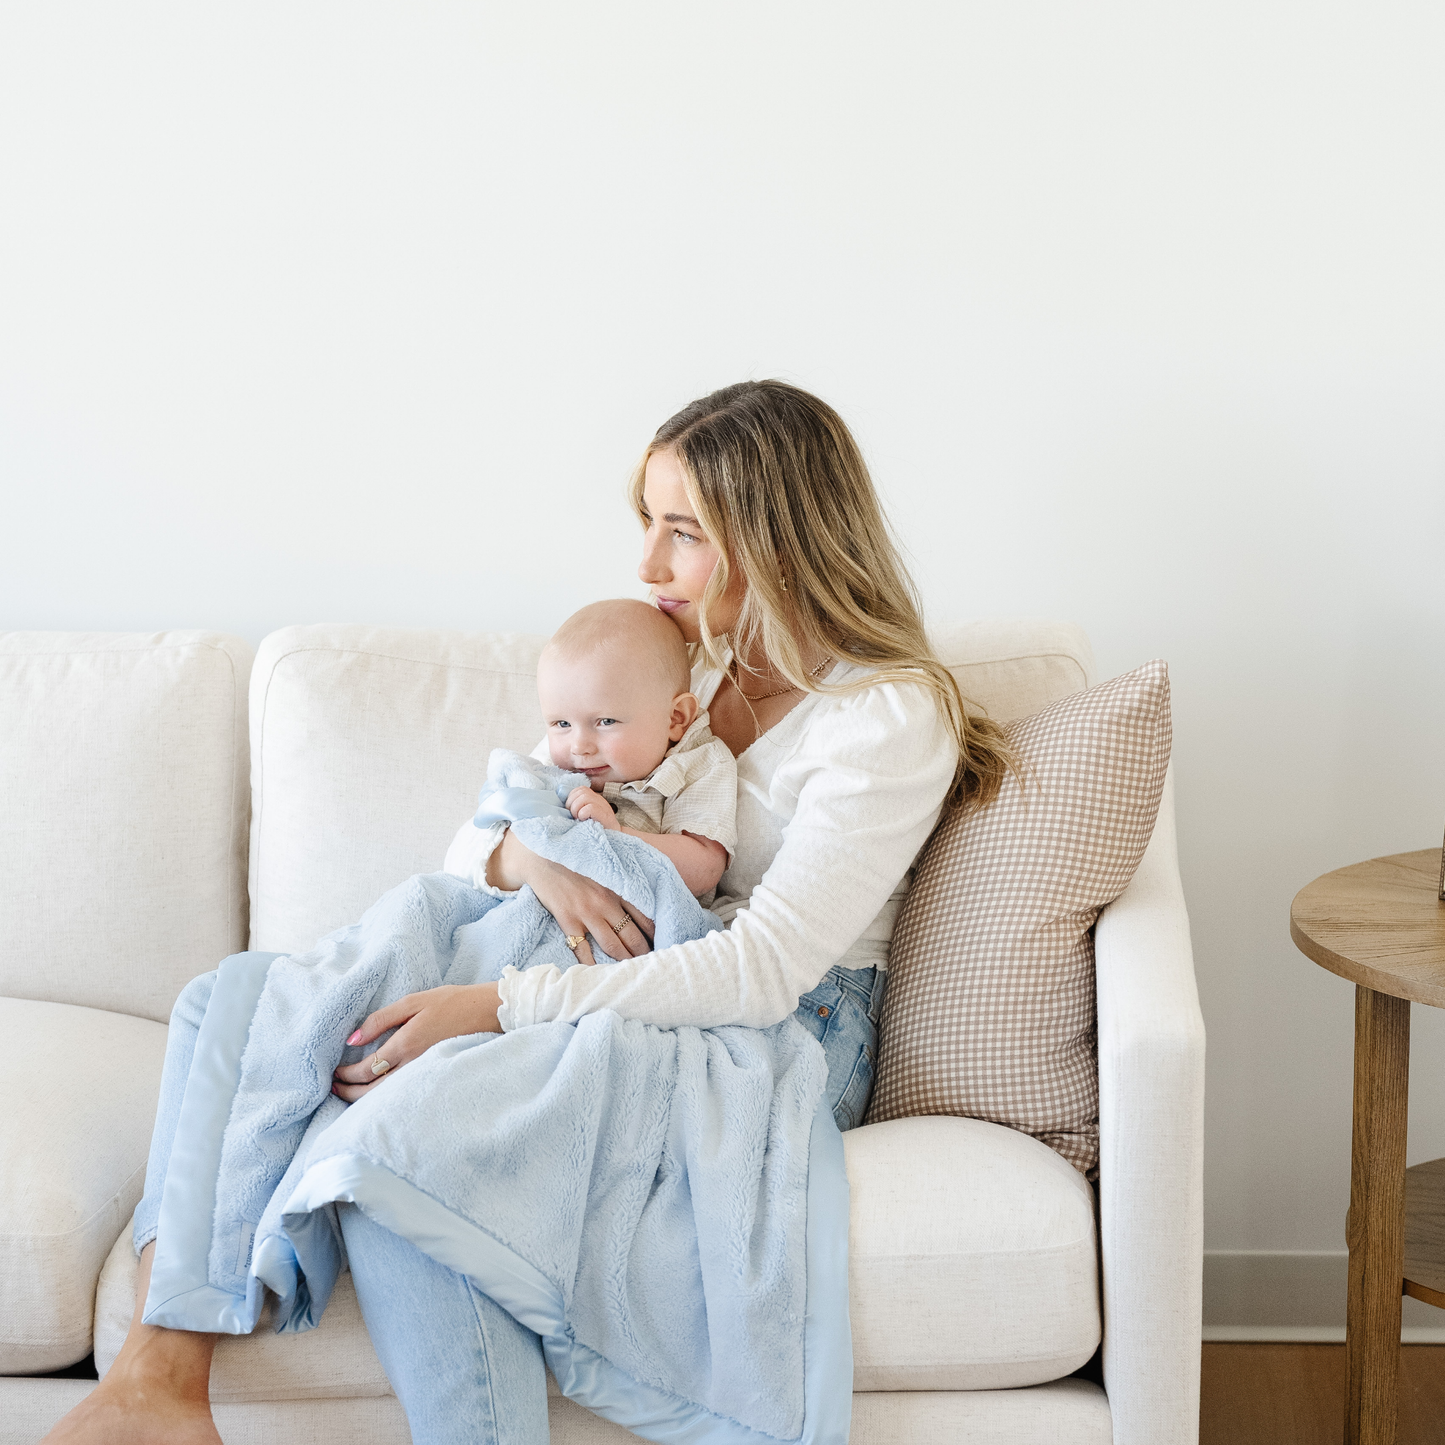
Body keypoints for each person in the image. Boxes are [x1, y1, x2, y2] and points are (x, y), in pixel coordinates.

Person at [44, 380, 1014, 1445]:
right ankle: (159, 1384)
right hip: (607, 963)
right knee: (238, 995)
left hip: (770, 1028)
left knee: (409, 1136)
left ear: (774, 537)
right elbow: (489, 833)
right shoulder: (687, 666)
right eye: (646, 524)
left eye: (680, 532)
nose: (646, 564)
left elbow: (759, 971)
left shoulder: (883, 712)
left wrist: (496, 1005)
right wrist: (532, 860)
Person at [443, 596, 737, 915]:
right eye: (562, 724)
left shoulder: (699, 764)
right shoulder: (557, 772)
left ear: (676, 718)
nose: (579, 746)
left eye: (606, 722)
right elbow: (471, 850)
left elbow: (705, 869)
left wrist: (616, 836)